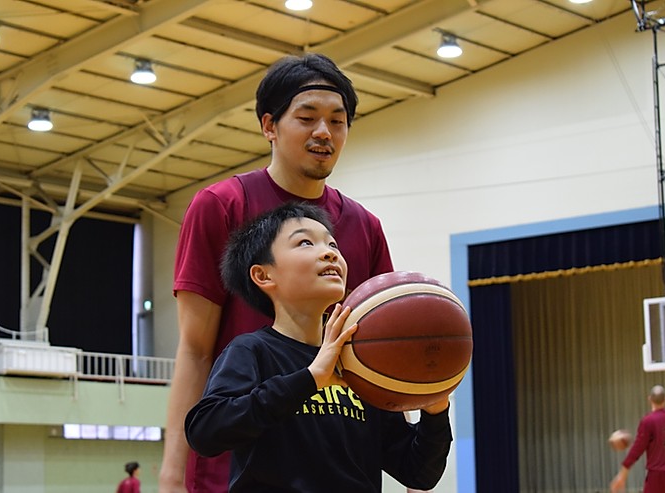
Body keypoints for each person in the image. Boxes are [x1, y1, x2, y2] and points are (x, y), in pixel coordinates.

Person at [160, 53, 394, 493]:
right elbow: (194, 349)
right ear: (269, 125)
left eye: (337, 121)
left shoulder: (365, 226)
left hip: (334, 460)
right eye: (307, 118)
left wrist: (413, 451)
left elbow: (378, 351)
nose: (324, 132)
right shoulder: (221, 204)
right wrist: (173, 472)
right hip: (239, 462)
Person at [185, 202, 452, 492]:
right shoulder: (252, 351)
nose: (330, 253)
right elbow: (205, 431)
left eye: (333, 244)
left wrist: (436, 410)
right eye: (304, 242)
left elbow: (418, 472)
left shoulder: (363, 361)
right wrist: (310, 379)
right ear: (264, 276)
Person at [610, 385, 665, 493]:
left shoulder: (648, 421)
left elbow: (637, 450)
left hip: (657, 477)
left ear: (650, 399)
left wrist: (622, 475)